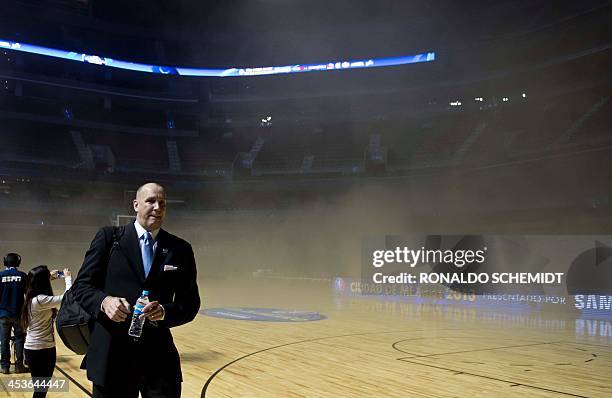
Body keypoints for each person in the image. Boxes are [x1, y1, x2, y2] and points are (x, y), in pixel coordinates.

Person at [72, 182, 200, 398]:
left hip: (159, 357)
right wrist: (105, 302)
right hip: (112, 354)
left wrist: (164, 312)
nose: (157, 207)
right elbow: (81, 286)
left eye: (162, 203)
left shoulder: (180, 249)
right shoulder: (109, 238)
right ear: (136, 205)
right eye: (151, 201)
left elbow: (190, 304)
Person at [21, 266, 72, 398]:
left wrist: (49, 277)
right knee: (41, 391)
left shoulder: (30, 295)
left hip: (32, 349)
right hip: (43, 350)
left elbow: (34, 282)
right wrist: (67, 278)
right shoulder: (41, 300)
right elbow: (68, 297)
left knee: (40, 390)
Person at [0, 252, 28, 374]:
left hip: (3, 314)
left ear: (5, 262)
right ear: (18, 262)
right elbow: (29, 295)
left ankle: (5, 367)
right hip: (18, 314)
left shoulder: (0, 276)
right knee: (19, 339)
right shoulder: (23, 276)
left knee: (4, 340)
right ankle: (19, 366)